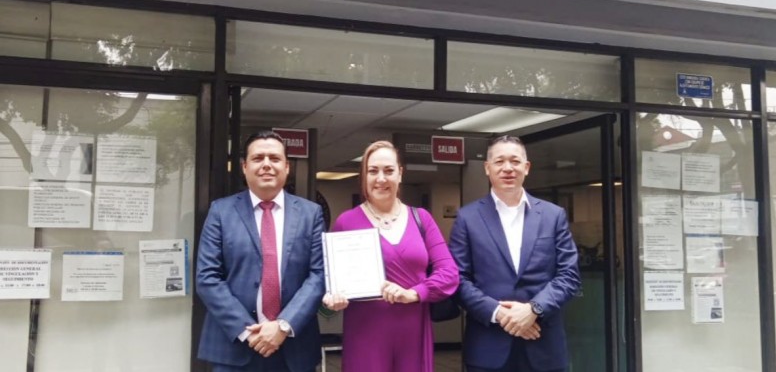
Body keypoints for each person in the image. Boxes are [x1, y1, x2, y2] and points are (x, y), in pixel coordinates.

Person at [322, 140, 459, 372]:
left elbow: (449, 273)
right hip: (365, 332)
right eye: (373, 171)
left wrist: (414, 293)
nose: (381, 178)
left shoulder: (422, 219)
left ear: (400, 174)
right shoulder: (347, 222)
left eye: (388, 170)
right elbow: (330, 281)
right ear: (364, 176)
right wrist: (331, 297)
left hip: (413, 332)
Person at [196, 131, 326, 372]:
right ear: (244, 167)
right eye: (258, 158)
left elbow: (318, 276)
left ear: (287, 167)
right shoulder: (221, 212)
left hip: (293, 346)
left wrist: (283, 325)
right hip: (234, 346)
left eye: (274, 158)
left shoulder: (311, 214)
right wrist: (249, 331)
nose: (267, 164)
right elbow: (207, 278)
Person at [449, 135, 580, 372]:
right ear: (487, 168)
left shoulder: (553, 216)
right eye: (499, 161)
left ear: (526, 167)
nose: (508, 168)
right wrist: (500, 314)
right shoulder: (467, 218)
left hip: (544, 346)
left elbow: (569, 276)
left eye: (515, 161)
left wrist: (533, 309)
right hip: (488, 348)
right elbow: (457, 279)